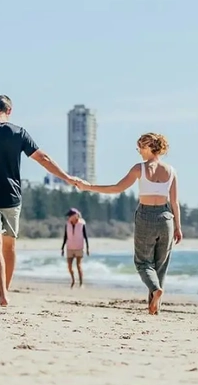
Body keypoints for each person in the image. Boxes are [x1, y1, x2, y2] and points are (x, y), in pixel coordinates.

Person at [0, 94, 80, 306]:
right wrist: (67, 178)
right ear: (10, 111)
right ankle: (3, 294)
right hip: (11, 198)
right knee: (9, 247)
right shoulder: (18, 133)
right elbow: (43, 159)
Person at [74, 133, 182, 314]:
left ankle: (155, 291)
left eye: (140, 146)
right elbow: (175, 202)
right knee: (160, 265)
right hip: (166, 218)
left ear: (148, 146)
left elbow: (117, 188)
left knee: (143, 263)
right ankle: (154, 308)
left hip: (146, 216)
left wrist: (88, 187)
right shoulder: (171, 171)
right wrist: (178, 227)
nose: (139, 151)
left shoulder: (139, 168)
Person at [61, 208, 90, 288]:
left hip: (79, 247)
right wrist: (62, 248)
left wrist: (87, 248)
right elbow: (65, 236)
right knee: (69, 266)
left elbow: (85, 236)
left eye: (70, 216)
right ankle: (73, 280)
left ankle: (81, 283)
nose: (69, 217)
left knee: (78, 265)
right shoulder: (67, 224)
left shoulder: (82, 224)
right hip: (70, 247)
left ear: (75, 216)